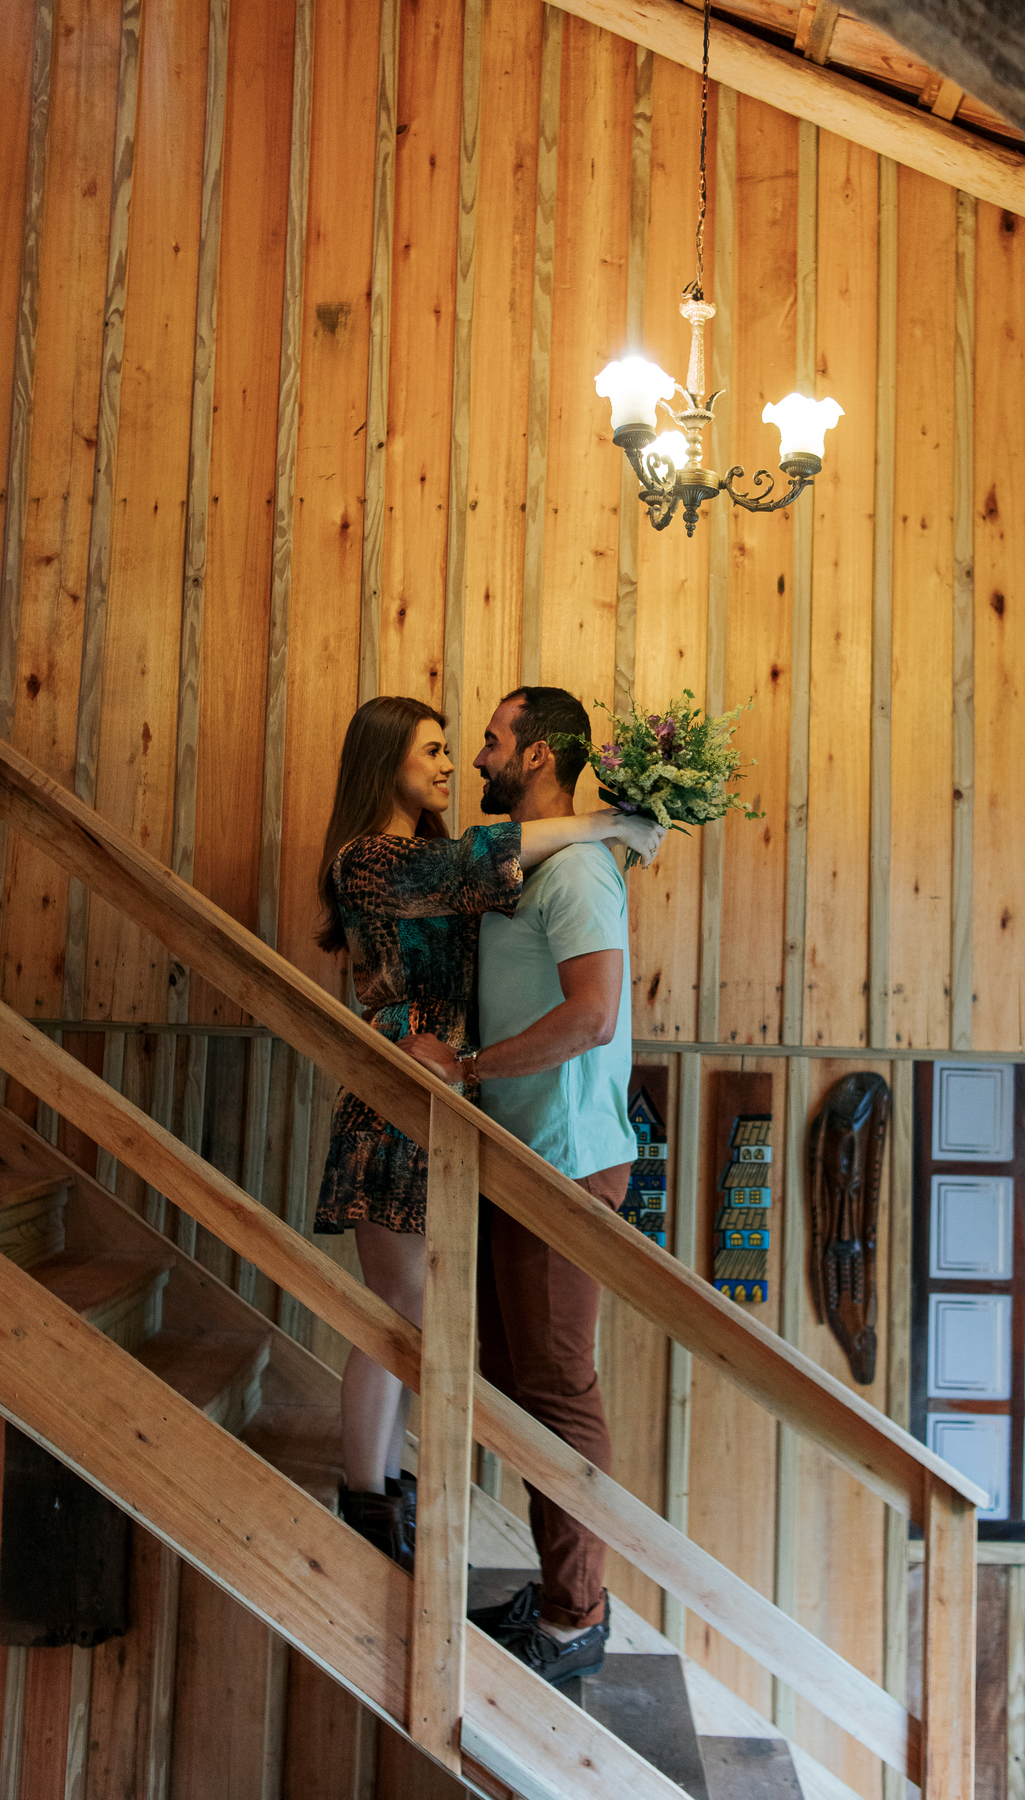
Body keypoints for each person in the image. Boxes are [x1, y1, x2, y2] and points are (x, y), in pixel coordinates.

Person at [313, 695, 663, 1571]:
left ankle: (393, 1488)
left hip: (454, 1099)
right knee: (400, 1309)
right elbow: (488, 853)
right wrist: (611, 822)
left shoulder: (463, 866)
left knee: (427, 1318)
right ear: (384, 763)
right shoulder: (369, 860)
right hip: (404, 1086)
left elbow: (495, 865)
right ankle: (366, 1496)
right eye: (432, 749)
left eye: (465, 746)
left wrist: (601, 835)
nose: (454, 763)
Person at [404, 686, 640, 1688]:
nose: (480, 756)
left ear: (536, 754)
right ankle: (560, 1592)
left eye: (494, 740)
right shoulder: (527, 862)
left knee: (555, 1389)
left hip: (564, 1158)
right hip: (519, 1150)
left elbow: (592, 1017)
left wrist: (467, 1071)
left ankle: (577, 1615)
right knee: (516, 1379)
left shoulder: (577, 872)